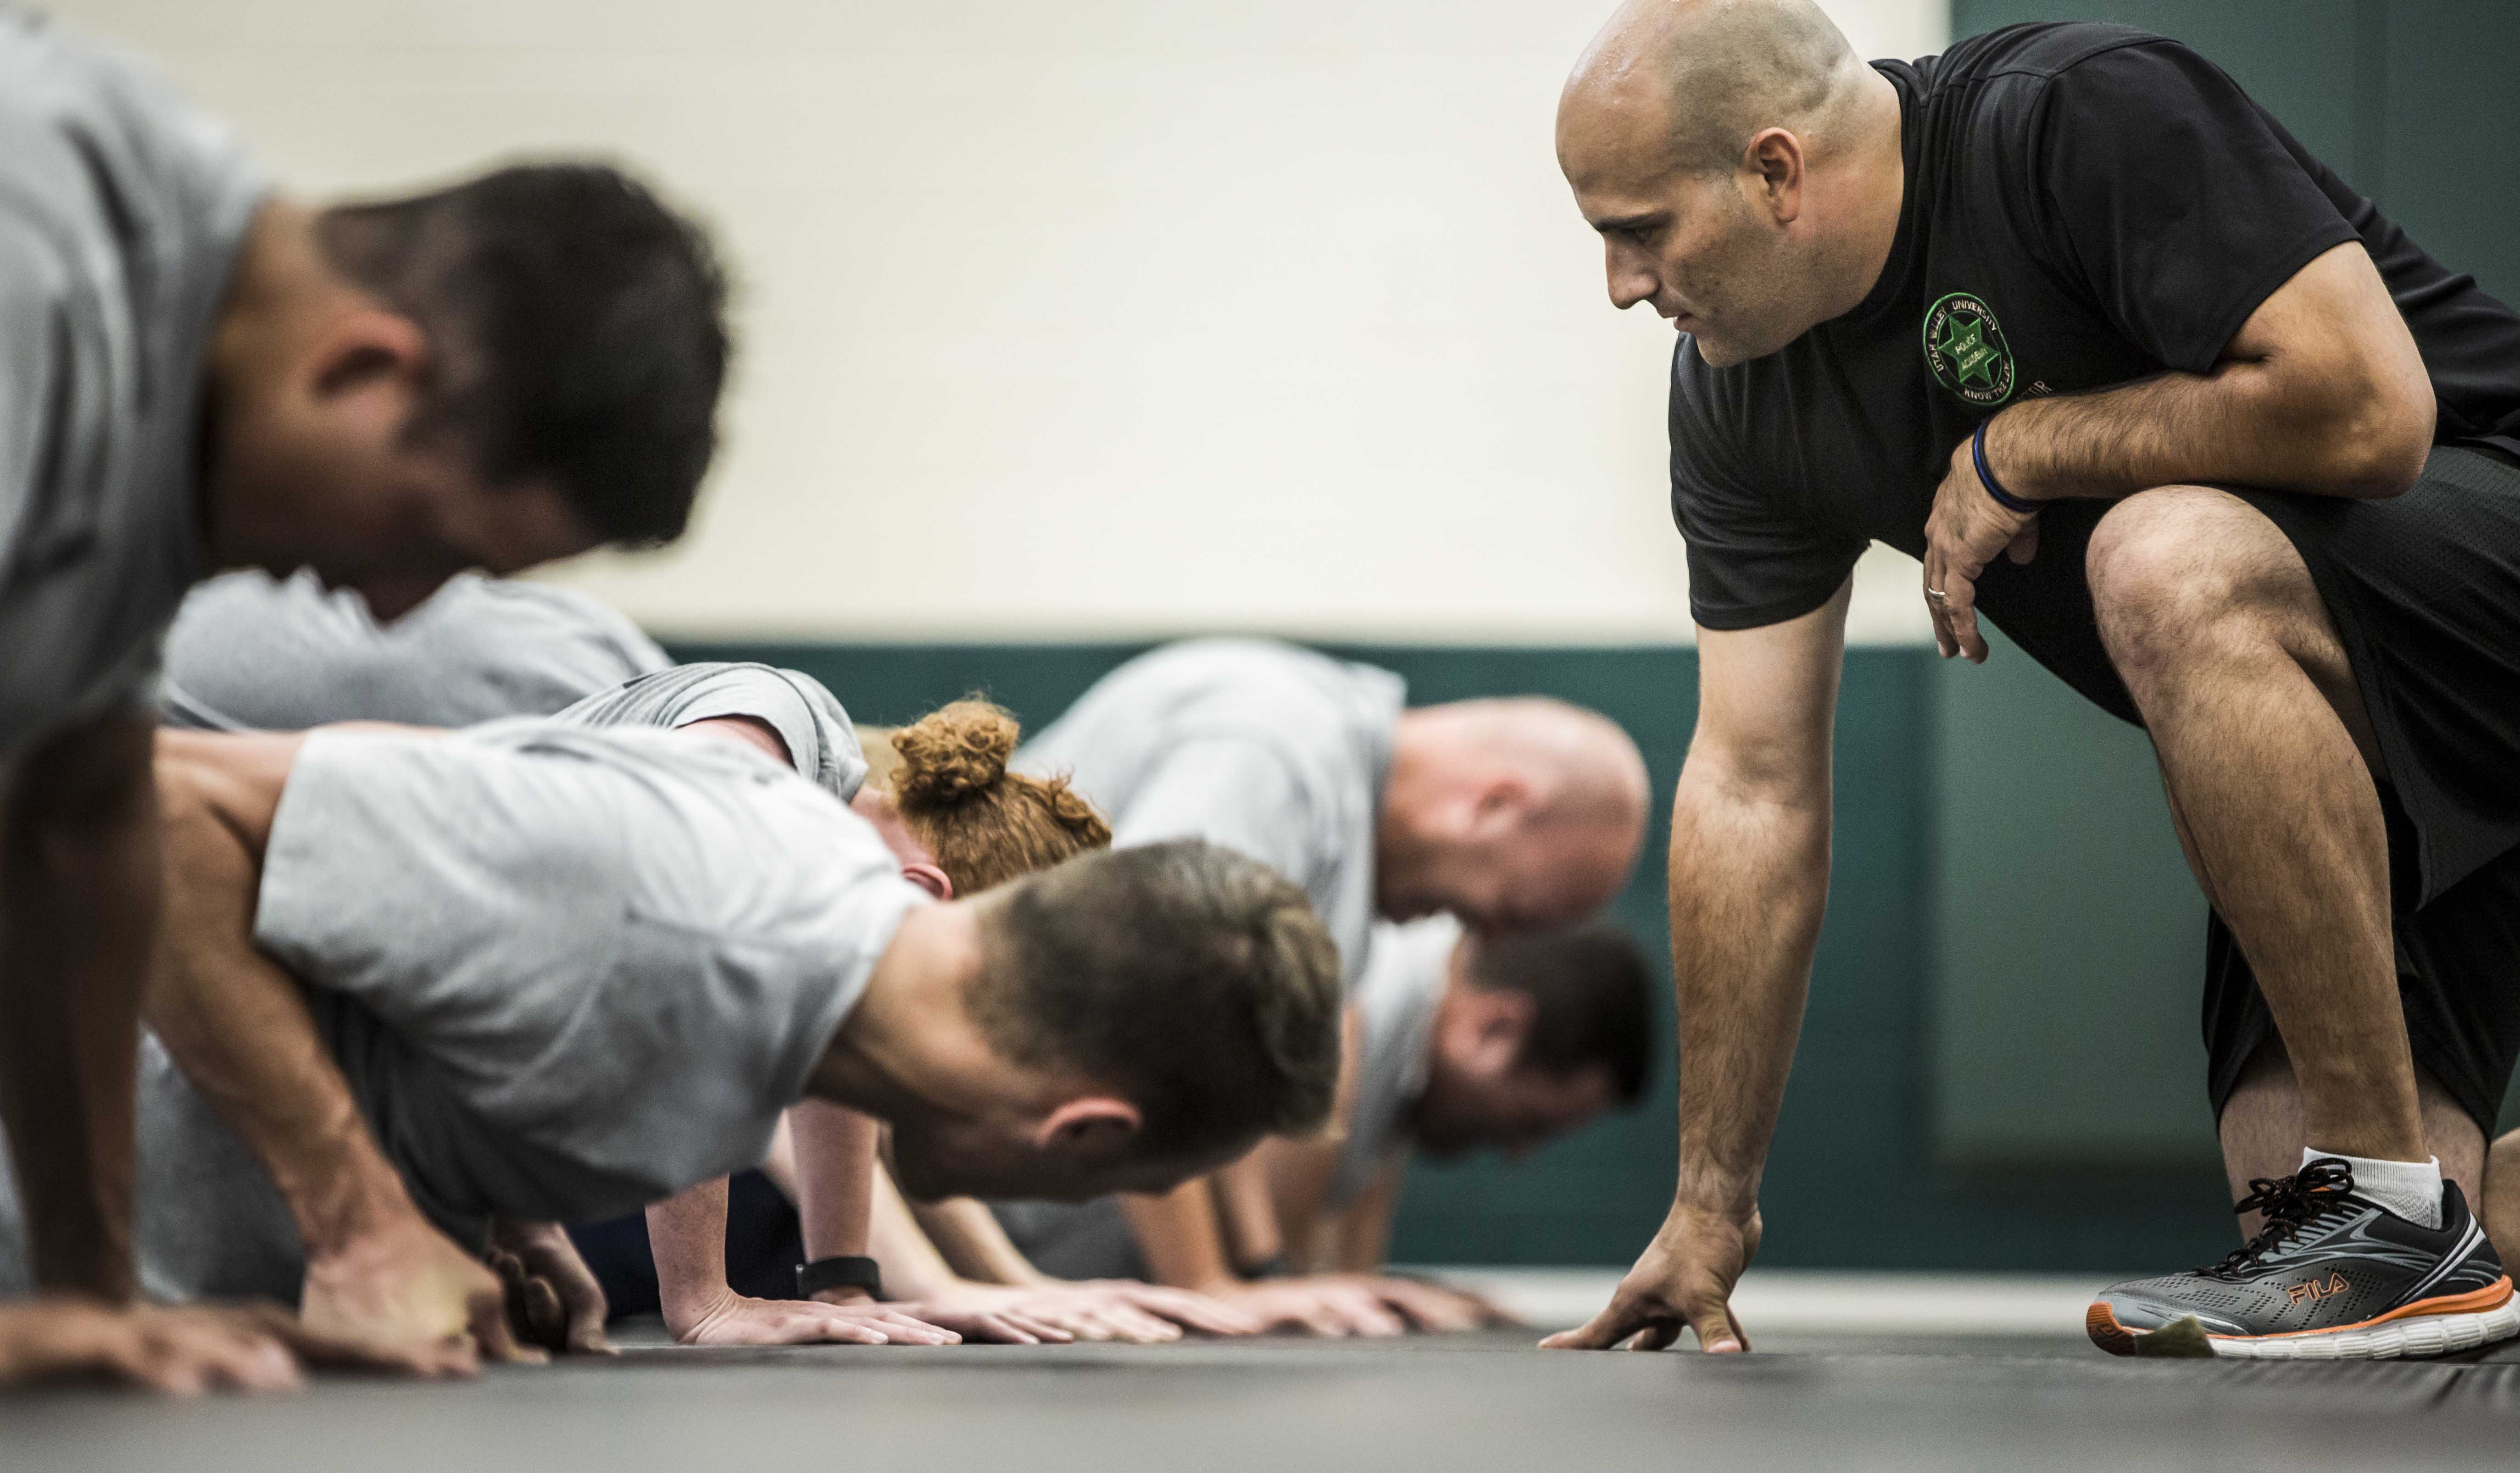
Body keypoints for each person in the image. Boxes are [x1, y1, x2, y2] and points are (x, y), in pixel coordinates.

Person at [1546, 0, 2520, 1360]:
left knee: (2160, 554)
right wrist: (1710, 1206)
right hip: (2353, 763)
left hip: (2482, 587)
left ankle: (2391, 1217)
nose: (1617, 283)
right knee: (2296, 1233)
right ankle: (2412, 1217)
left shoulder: (2073, 114)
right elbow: (1751, 784)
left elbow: (2371, 408)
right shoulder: (1739, 394)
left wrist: (2031, 446)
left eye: (1636, 229)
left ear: (1772, 172)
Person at [0, 11, 728, 1388]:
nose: (397, 607)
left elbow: (83, 823)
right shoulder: (40, 273)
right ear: (365, 368)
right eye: (434, 542)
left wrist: (90, 1301)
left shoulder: (167, 405)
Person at [0, 717, 1344, 1360]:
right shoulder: (706, 891)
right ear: (1086, 1130)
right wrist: (356, 1217)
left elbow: (446, 996)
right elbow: (157, 804)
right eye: (1116, 1187)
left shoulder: (781, 1021)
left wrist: (496, 1216)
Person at [986, 638, 1651, 1332]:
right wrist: (1205, 1282)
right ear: (1492, 806)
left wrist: (1261, 1273)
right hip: (954, 1201)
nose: (1481, 940)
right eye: (1507, 913)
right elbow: (1132, 993)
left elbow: (1216, 1076)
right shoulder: (1276, 750)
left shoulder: (1341, 852)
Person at [1002, 915, 1653, 1330]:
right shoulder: (1352, 997)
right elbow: (1146, 1067)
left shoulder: (1404, 1040)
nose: (1517, 1152)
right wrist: (1216, 1283)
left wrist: (1381, 1294)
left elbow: (1310, 1269)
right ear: (1495, 1026)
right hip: (1017, 1244)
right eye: (1530, 1121)